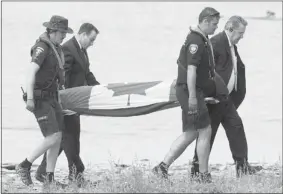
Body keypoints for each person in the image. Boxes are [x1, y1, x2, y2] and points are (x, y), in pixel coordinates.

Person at [152, 7, 223, 183]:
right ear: (205, 21)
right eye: (214, 24)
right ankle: (203, 175)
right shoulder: (196, 41)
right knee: (205, 130)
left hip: (192, 91)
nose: (216, 28)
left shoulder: (201, 38)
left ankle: (162, 167)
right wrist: (192, 97)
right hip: (191, 92)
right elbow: (191, 70)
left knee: (191, 132)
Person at [190, 16, 262, 178]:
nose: (242, 36)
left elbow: (234, 69)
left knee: (236, 127)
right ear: (230, 29)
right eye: (240, 33)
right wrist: (205, 96)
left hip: (226, 99)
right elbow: (204, 69)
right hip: (214, 98)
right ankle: (196, 171)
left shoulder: (231, 45)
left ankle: (242, 167)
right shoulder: (215, 43)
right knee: (208, 134)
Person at [35, 23, 100, 186]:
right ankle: (75, 174)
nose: (92, 43)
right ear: (83, 34)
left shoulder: (82, 51)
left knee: (66, 138)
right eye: (91, 40)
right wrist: (66, 99)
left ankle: (46, 172)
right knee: (68, 138)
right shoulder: (68, 49)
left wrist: (100, 89)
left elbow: (87, 73)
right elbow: (63, 77)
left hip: (74, 103)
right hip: (66, 102)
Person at [15, 15, 73, 186]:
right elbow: (30, 72)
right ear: (52, 31)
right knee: (52, 135)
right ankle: (24, 165)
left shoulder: (56, 48)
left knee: (58, 136)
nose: (64, 36)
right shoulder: (42, 47)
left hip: (53, 98)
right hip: (40, 99)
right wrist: (30, 99)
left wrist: (61, 101)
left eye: (65, 33)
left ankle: (49, 177)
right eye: (62, 32)